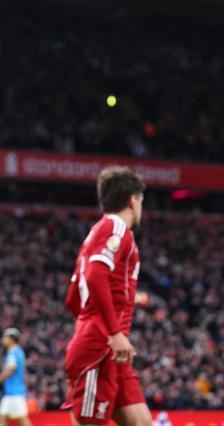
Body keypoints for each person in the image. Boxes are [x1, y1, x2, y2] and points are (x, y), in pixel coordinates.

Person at [63, 166, 152, 425]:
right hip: (101, 347)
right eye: (141, 201)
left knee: (141, 423)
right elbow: (95, 275)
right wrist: (111, 332)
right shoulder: (116, 228)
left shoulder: (96, 235)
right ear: (133, 201)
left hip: (112, 350)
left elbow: (73, 300)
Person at [0, 328, 32, 426]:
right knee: (3, 417)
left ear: (11, 339)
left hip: (14, 392)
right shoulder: (18, 351)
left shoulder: (13, 353)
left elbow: (9, 371)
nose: (3, 339)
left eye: (5, 337)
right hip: (12, 392)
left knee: (22, 420)